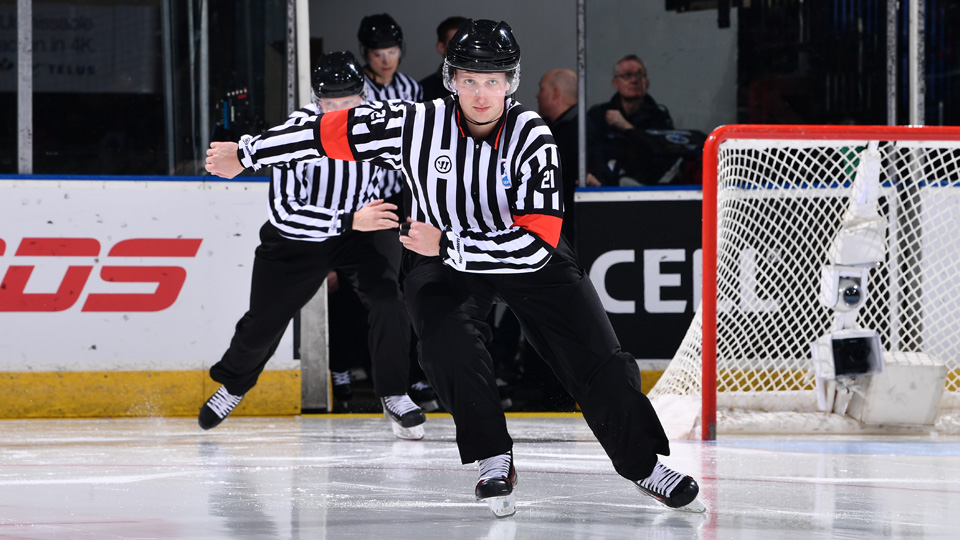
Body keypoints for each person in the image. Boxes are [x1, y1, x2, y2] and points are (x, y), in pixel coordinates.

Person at [205, 19, 705, 518]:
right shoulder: (414, 123)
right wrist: (246, 153)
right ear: (450, 79)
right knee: (445, 345)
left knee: (597, 354)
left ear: (511, 82)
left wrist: (450, 244)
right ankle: (493, 457)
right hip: (439, 256)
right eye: (469, 79)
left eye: (493, 80)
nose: (481, 93)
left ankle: (643, 465)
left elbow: (534, 245)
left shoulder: (533, 137)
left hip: (508, 252)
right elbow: (331, 132)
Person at [198, 51, 427, 441]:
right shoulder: (296, 131)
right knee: (265, 320)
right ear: (316, 99)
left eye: (347, 103)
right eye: (329, 104)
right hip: (299, 238)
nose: (338, 112)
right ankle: (234, 385)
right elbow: (286, 214)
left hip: (362, 227)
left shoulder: (380, 122)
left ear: (363, 96)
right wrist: (346, 220)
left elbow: (422, 157)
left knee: (391, 297)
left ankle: (393, 391)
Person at [586, 54, 677, 187]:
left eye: (639, 75)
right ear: (615, 83)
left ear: (647, 82)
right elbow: (591, 154)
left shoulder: (660, 117)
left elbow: (662, 157)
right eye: (627, 76)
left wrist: (628, 129)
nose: (634, 81)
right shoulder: (598, 115)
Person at [536, 68, 579, 243]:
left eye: (542, 89)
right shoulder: (558, 128)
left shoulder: (577, 131)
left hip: (568, 228)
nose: (537, 95)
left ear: (556, 93)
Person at [420, 16, 468, 102]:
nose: (463, 49)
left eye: (467, 43)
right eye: (456, 44)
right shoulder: (423, 89)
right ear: (441, 47)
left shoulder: (487, 85)